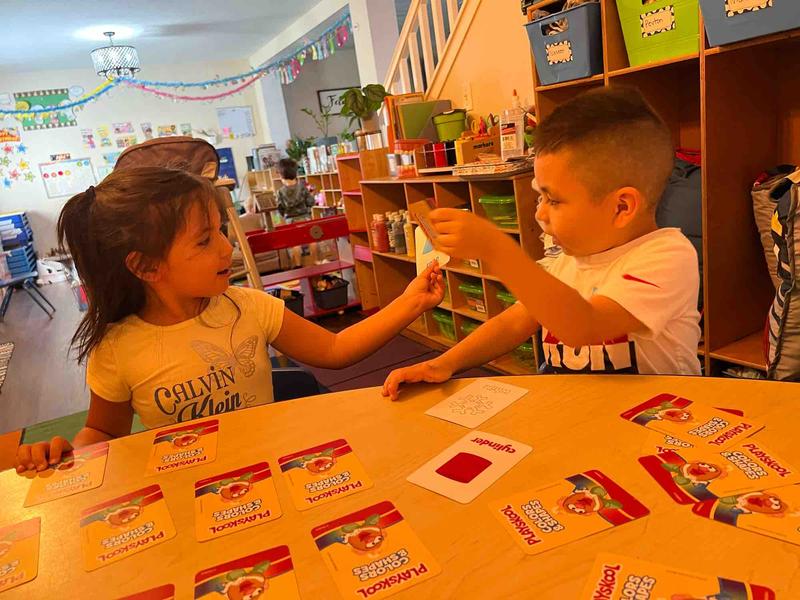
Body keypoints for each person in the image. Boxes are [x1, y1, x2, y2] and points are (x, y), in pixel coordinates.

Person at [16, 166, 444, 472]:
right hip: (189, 488)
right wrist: (66, 455)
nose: (227, 248)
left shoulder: (248, 306)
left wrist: (410, 302)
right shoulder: (117, 347)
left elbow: (335, 348)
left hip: (270, 466)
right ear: (146, 267)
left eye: (221, 231)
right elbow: (104, 433)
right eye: (205, 241)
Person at [383, 87, 701, 401]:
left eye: (553, 200)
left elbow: (583, 325)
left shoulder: (667, 256)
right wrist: (443, 363)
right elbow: (514, 322)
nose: (540, 213)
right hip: (577, 415)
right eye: (540, 197)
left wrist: (495, 247)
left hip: (654, 419)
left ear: (621, 207)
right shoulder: (569, 259)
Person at [276, 158, 315, 223]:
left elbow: (280, 208)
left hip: (290, 221)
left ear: (280, 175)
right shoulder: (302, 188)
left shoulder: (280, 192)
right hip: (305, 219)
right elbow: (311, 202)